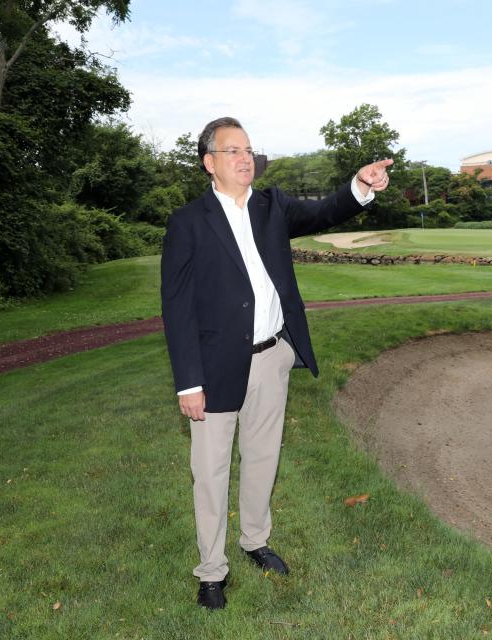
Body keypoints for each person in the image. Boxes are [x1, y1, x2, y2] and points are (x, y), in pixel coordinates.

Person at [161, 116, 392, 610]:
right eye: (233, 151)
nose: (246, 158)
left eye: (249, 150)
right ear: (210, 163)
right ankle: (211, 571)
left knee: (263, 459)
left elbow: (325, 212)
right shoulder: (187, 223)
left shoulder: (273, 206)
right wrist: (188, 383)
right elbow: (176, 307)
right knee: (211, 471)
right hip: (214, 366)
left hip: (272, 358)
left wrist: (359, 184)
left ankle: (255, 541)